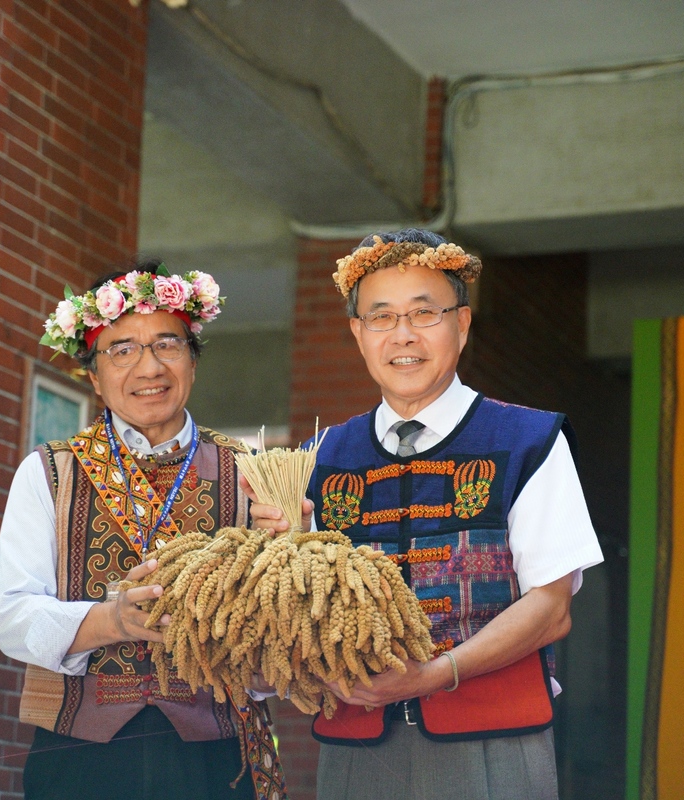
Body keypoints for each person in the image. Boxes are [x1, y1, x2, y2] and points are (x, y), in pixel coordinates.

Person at [248, 229, 603, 800]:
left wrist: (436, 674)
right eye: (382, 317)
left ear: (461, 325)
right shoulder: (320, 459)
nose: (404, 335)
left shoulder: (529, 439)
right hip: (356, 749)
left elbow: (551, 608)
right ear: (358, 335)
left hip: (494, 742)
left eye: (425, 313)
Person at [0, 260, 284, 800]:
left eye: (167, 345)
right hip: (80, 754)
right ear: (94, 375)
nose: (149, 367)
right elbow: (12, 616)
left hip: (216, 752)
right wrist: (111, 621)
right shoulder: (50, 471)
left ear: (193, 362)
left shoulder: (253, 468)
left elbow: (280, 638)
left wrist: (295, 554)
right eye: (122, 350)